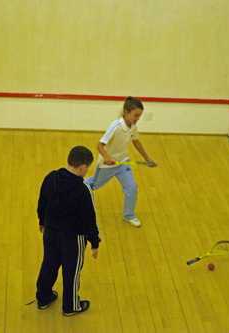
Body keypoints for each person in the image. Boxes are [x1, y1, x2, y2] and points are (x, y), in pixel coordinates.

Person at [36, 146, 100, 316]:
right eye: (88, 167)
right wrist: (94, 242)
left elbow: (42, 201)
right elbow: (89, 219)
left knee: (49, 264)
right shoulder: (84, 190)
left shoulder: (51, 177)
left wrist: (42, 221)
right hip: (73, 239)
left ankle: (43, 297)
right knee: (71, 272)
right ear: (82, 167)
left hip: (50, 232)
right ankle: (71, 306)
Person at [85, 96, 156, 228]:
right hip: (107, 166)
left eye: (139, 116)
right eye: (135, 115)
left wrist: (147, 158)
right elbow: (100, 145)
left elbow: (136, 142)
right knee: (93, 184)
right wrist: (107, 157)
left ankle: (129, 215)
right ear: (126, 112)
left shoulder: (133, 127)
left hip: (123, 163)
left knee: (132, 188)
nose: (137, 119)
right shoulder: (116, 126)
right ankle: (78, 185)